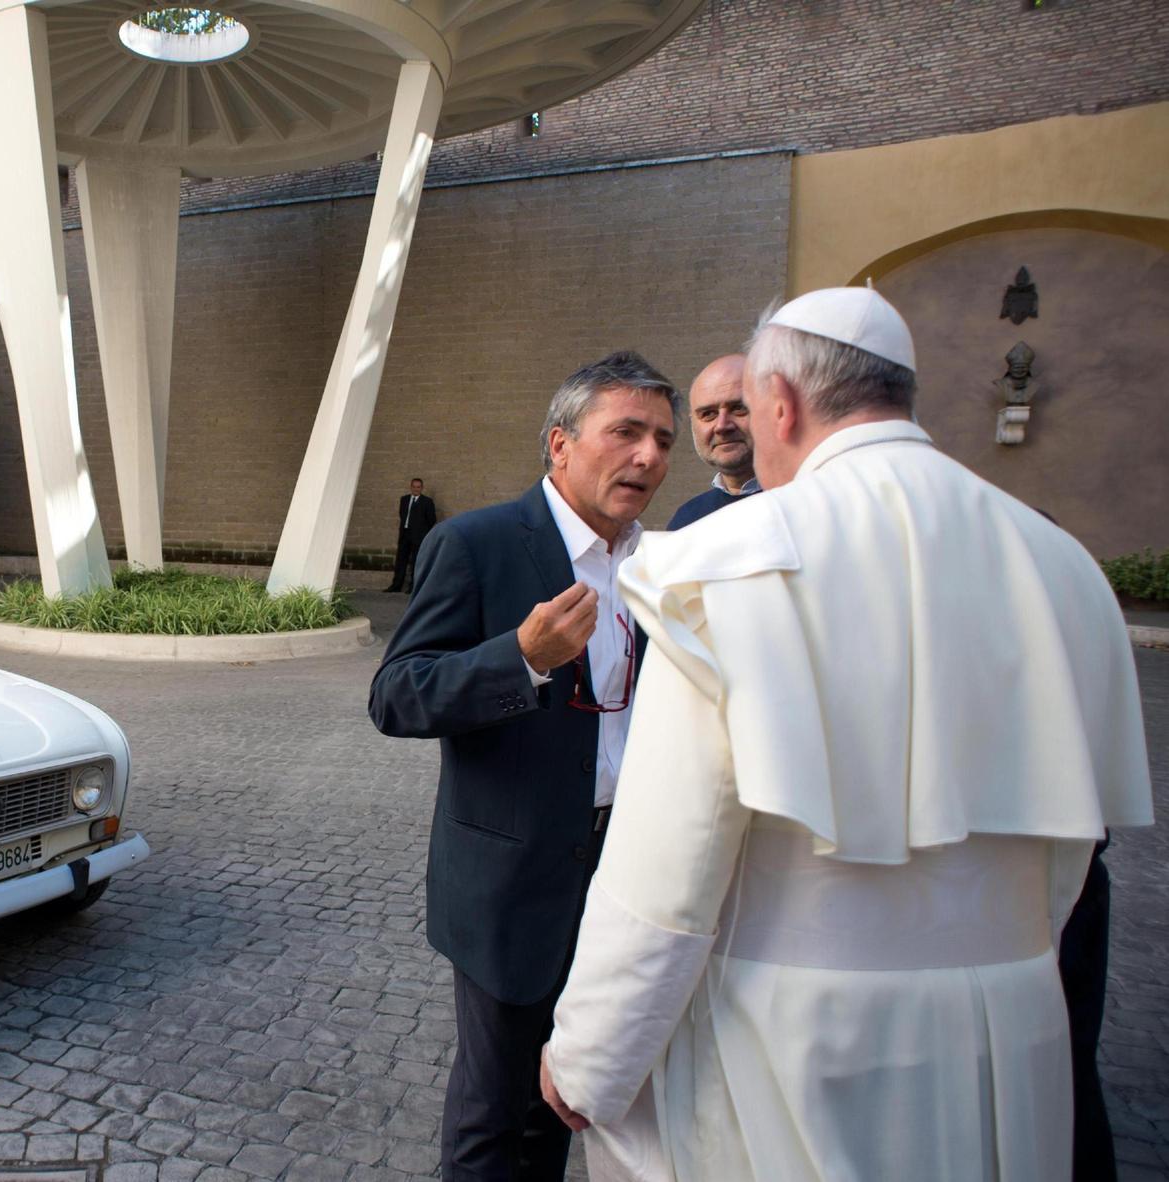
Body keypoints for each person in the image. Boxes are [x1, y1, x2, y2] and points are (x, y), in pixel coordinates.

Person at [538, 287, 1153, 1182]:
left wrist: (589, 1054)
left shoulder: (721, 563)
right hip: (1010, 1033)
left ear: (779, 405)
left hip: (790, 1047)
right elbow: (1065, 860)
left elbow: (667, 870)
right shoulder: (1059, 562)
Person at [370, 351, 677, 1180]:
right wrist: (520, 658)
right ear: (559, 445)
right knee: (492, 1111)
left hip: (624, 874)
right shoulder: (476, 544)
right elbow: (396, 695)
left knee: (564, 1096)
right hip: (510, 879)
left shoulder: (661, 564)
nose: (647, 456)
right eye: (624, 432)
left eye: (660, 439)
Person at [666, 354, 760, 530]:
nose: (722, 426)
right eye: (708, 414)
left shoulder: (809, 506)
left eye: (739, 408)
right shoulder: (687, 521)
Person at [386, 478, 438, 592]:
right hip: (405, 535)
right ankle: (396, 585)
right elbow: (402, 515)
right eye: (414, 486)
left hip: (418, 537)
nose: (416, 489)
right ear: (411, 487)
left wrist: (422, 532)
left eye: (418, 487)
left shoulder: (427, 502)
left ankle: (413, 587)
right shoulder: (404, 500)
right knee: (401, 561)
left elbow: (432, 519)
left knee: (416, 562)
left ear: (421, 488)